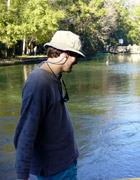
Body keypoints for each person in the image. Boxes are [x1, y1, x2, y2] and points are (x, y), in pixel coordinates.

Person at [13, 30, 85, 180]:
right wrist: (21, 176)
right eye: (75, 56)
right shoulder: (38, 83)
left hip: (66, 164)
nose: (77, 61)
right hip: (54, 171)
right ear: (64, 55)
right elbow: (26, 132)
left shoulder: (54, 75)